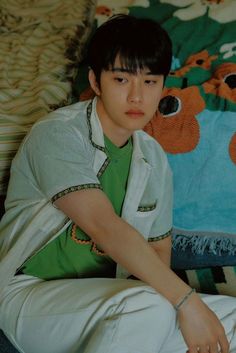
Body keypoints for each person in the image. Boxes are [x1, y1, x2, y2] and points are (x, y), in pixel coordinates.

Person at [0, 14, 235, 353]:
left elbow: (158, 251)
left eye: (150, 82)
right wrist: (185, 301)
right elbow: (103, 225)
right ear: (95, 81)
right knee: (152, 307)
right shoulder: (57, 134)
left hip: (111, 301)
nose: (138, 97)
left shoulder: (153, 157)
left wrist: (184, 311)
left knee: (225, 321)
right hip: (29, 295)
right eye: (122, 80)